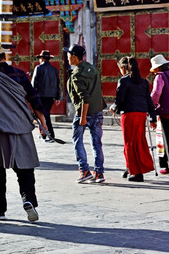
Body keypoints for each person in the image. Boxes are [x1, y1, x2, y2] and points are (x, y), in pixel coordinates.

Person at [0, 40, 46, 222]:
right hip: (21, 130)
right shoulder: (19, 75)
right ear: (4, 56)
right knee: (25, 170)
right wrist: (43, 124)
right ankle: (29, 201)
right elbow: (35, 100)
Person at [65, 45, 107, 183]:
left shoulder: (77, 75)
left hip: (84, 112)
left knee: (77, 141)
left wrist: (83, 117)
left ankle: (84, 171)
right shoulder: (93, 69)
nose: (67, 57)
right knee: (96, 143)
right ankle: (99, 173)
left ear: (74, 57)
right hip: (98, 110)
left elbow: (85, 98)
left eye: (68, 55)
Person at [111, 56, 157, 182]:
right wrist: (153, 118)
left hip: (129, 115)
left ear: (123, 68)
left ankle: (136, 172)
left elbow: (119, 99)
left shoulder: (124, 81)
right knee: (139, 141)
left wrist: (114, 108)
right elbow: (149, 100)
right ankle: (129, 167)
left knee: (130, 143)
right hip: (141, 115)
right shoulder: (143, 82)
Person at [31, 50, 61, 141]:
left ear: (42, 58)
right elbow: (58, 84)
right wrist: (57, 97)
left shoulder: (39, 68)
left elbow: (33, 83)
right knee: (44, 115)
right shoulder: (54, 70)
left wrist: (32, 95)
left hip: (41, 96)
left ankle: (51, 135)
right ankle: (44, 134)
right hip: (51, 96)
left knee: (44, 116)